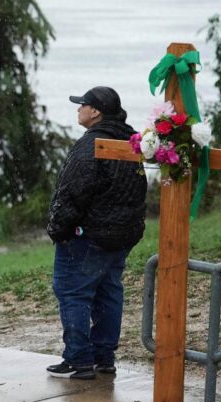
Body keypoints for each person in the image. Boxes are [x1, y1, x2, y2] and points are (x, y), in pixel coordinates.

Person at [45, 86, 147, 380]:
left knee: (73, 292)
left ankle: (79, 359)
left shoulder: (91, 144)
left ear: (96, 111)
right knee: (108, 293)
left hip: (87, 236)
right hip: (122, 235)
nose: (78, 109)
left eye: (82, 105)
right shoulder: (131, 141)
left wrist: (57, 228)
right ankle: (104, 358)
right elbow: (139, 189)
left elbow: (72, 192)